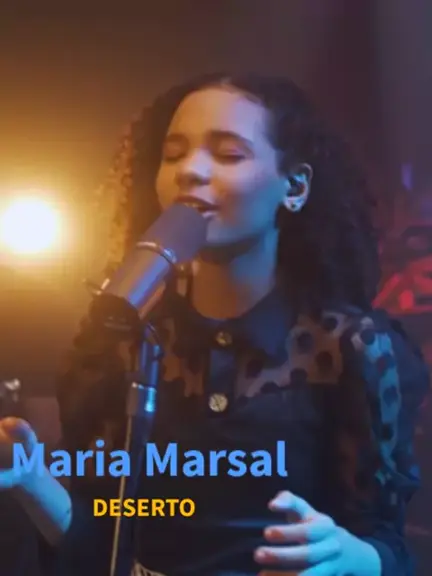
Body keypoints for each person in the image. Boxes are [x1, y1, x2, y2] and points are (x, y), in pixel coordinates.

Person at [0, 73, 429, 576]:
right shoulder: (120, 339)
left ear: (294, 187)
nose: (190, 171)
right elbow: (102, 541)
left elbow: (391, 545)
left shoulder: (353, 350)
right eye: (174, 154)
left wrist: (350, 557)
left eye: (228, 154)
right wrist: (30, 480)